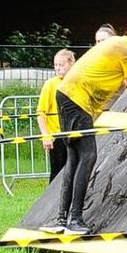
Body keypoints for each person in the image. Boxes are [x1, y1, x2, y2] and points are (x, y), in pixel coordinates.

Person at [41, 17, 127, 236]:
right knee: (88, 156)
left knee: (74, 158)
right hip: (77, 99)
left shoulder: (119, 44)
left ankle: (62, 218)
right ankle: (75, 219)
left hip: (66, 95)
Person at [37, 49, 76, 182]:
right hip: (57, 136)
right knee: (57, 173)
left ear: (71, 64)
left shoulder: (77, 82)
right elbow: (41, 112)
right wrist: (45, 135)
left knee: (74, 170)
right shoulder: (50, 84)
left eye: (61, 64)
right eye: (55, 65)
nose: (58, 68)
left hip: (75, 134)